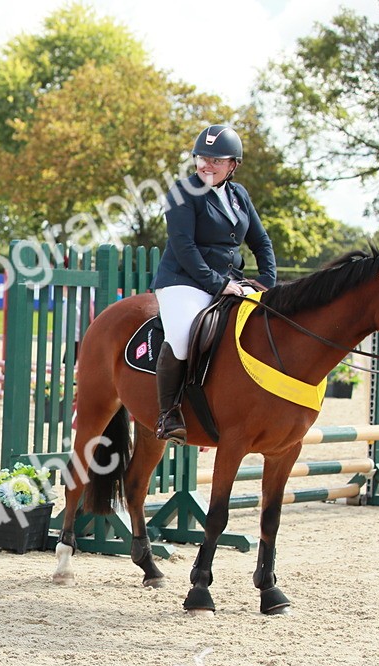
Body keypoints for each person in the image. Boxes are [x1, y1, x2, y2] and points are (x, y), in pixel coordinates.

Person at [151, 124, 276, 445]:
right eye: (201, 157)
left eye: (216, 160)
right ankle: (168, 413)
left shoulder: (239, 195)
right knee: (181, 336)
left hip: (229, 281)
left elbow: (260, 241)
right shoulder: (182, 192)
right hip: (184, 281)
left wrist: (267, 281)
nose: (206, 164)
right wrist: (218, 284)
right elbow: (184, 247)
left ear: (233, 164)